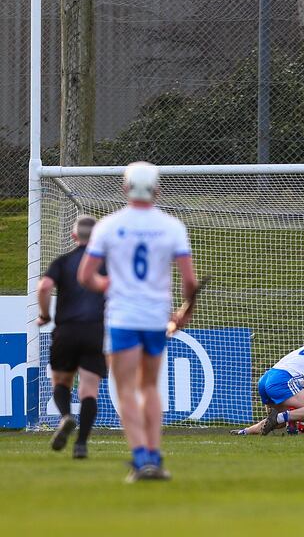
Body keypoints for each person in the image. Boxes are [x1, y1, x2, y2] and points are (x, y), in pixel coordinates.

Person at [78, 161, 197, 482]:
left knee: (126, 388)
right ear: (157, 189)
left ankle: (141, 457)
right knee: (150, 386)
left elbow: (86, 275)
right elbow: (189, 282)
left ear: (125, 188)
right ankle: (155, 457)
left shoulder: (109, 225)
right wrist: (186, 309)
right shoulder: (172, 226)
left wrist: (109, 285)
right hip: (156, 316)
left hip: (123, 318)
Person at [36, 215, 105, 459]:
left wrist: (44, 315)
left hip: (66, 330)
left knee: (61, 382)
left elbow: (44, 287)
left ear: (73, 236)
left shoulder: (62, 261)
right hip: (95, 330)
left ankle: (65, 416)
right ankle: (81, 444)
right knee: (89, 390)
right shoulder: (106, 264)